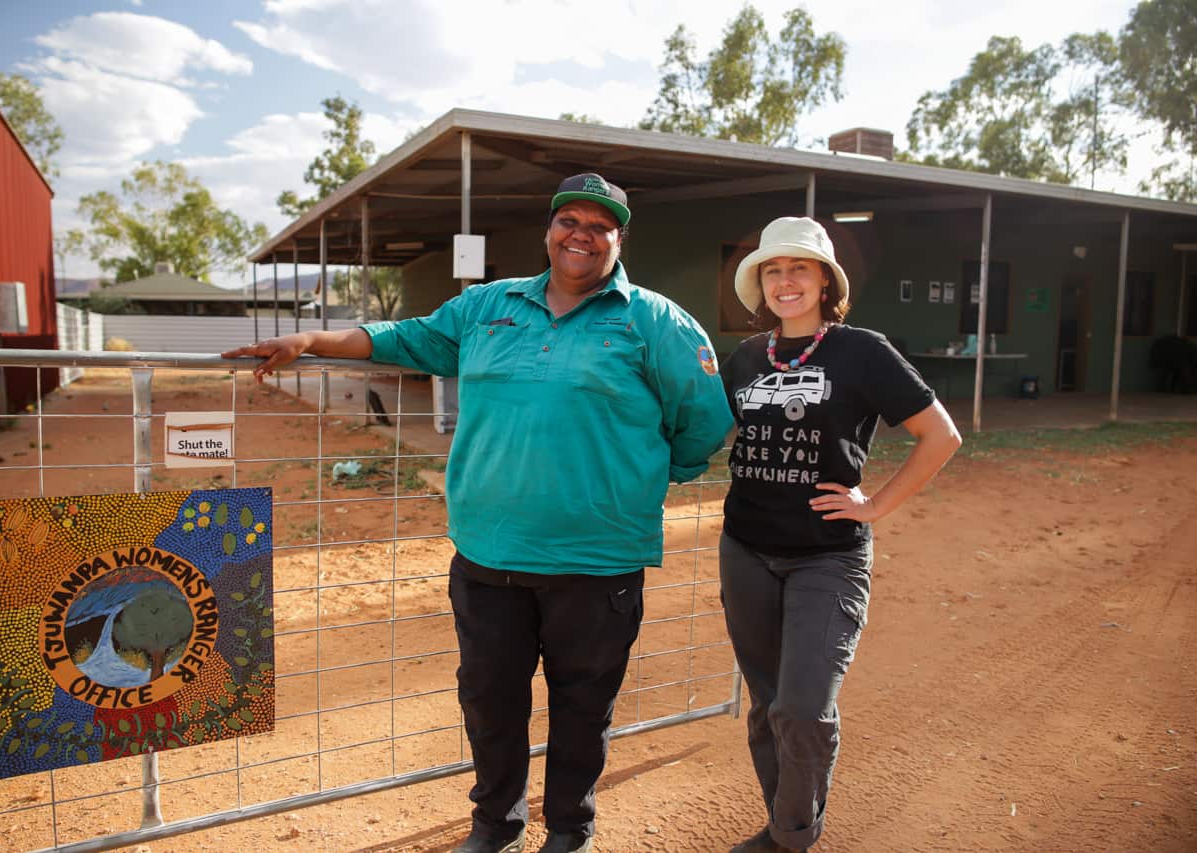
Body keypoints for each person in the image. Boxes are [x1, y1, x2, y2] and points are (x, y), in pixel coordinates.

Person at [223, 173, 732, 853]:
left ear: (619, 237)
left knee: (583, 707)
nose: (581, 234)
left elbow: (703, 422)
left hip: (597, 557)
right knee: (490, 703)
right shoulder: (487, 307)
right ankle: (496, 824)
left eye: (599, 225)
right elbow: (397, 338)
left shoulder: (656, 322)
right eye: (569, 220)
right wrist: (311, 341)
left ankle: (570, 829)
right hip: (489, 554)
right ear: (549, 230)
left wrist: (642, 476)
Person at [718, 217, 961, 852]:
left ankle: (793, 836)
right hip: (744, 549)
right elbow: (710, 429)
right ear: (761, 285)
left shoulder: (864, 351)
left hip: (827, 556)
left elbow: (941, 435)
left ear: (826, 281)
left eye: (799, 267)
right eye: (773, 269)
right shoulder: (745, 358)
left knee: (801, 708)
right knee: (767, 705)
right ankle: (784, 822)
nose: (785, 280)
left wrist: (876, 503)